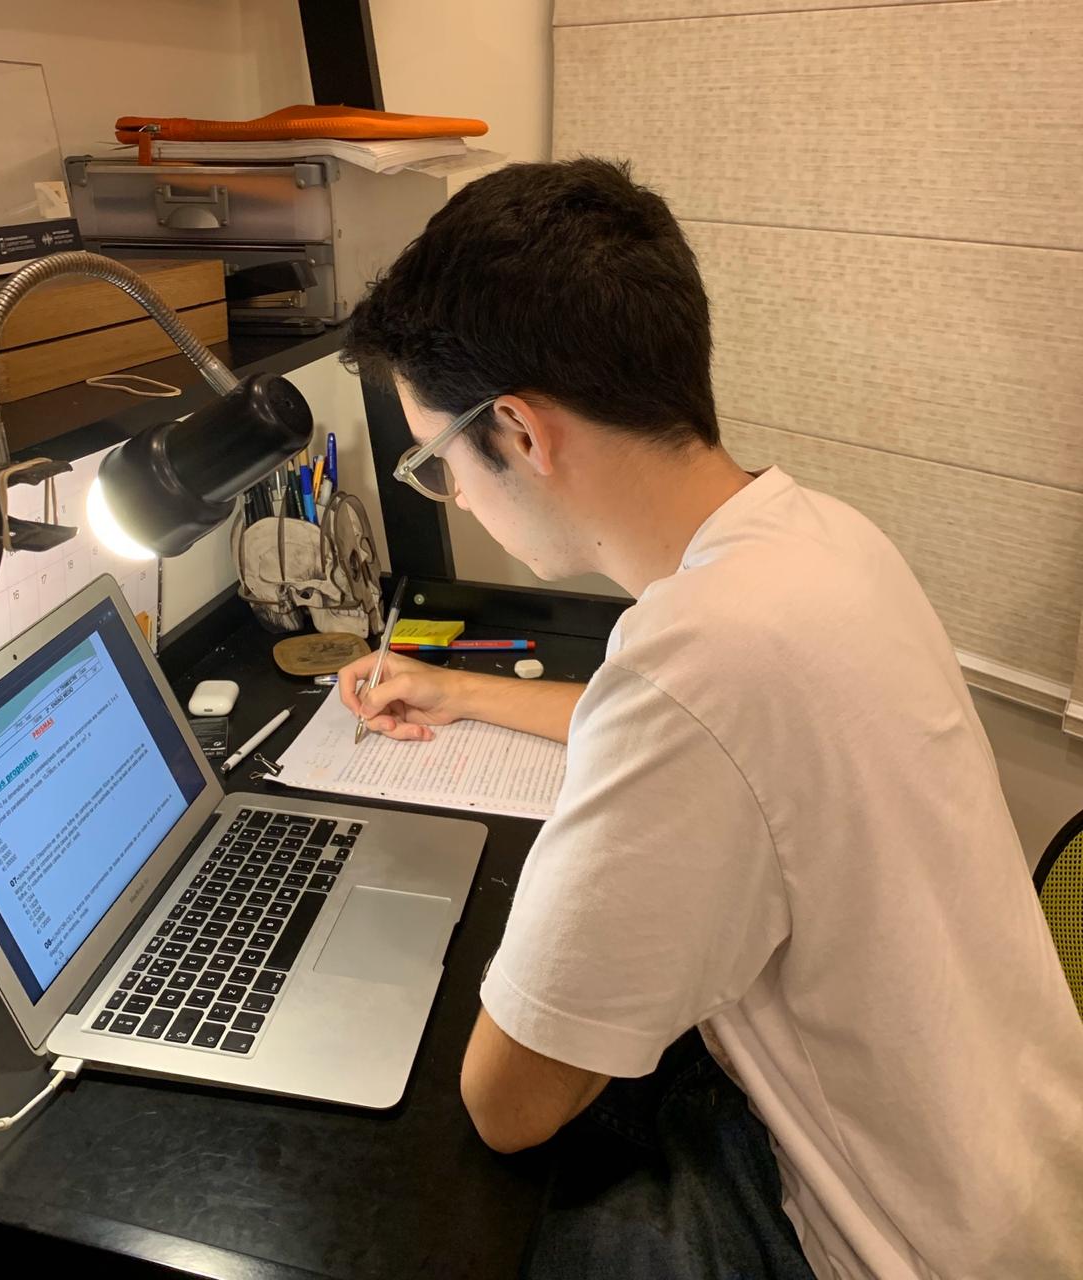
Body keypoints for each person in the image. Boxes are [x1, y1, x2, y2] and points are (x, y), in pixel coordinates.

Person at [336, 158, 1083, 1279]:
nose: (454, 497)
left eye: (437, 466)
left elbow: (509, 1103)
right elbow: (718, 733)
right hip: (1024, 1172)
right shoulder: (815, 539)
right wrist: (459, 690)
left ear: (519, 433)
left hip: (894, 1244)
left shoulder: (696, 660)